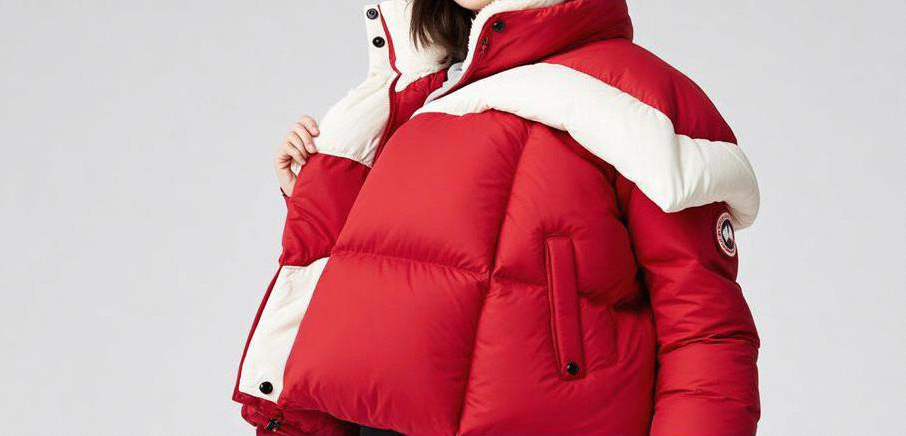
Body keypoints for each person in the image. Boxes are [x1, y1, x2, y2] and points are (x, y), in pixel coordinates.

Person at [233, 0, 762, 435]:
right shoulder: (416, 96)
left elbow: (704, 330)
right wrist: (315, 192)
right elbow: (378, 280)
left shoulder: (636, 98)